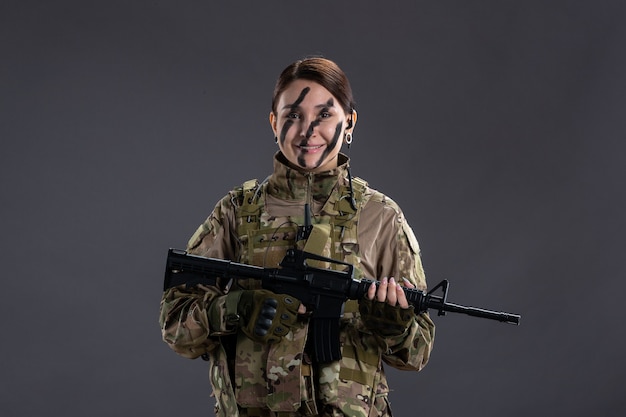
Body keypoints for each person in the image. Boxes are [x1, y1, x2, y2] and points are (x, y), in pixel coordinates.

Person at [159, 57, 435, 417]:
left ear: (349, 122)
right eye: (293, 115)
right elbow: (175, 326)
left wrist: (394, 327)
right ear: (274, 122)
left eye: (324, 115)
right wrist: (234, 308)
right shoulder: (236, 212)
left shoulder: (380, 218)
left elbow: (418, 354)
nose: (308, 131)